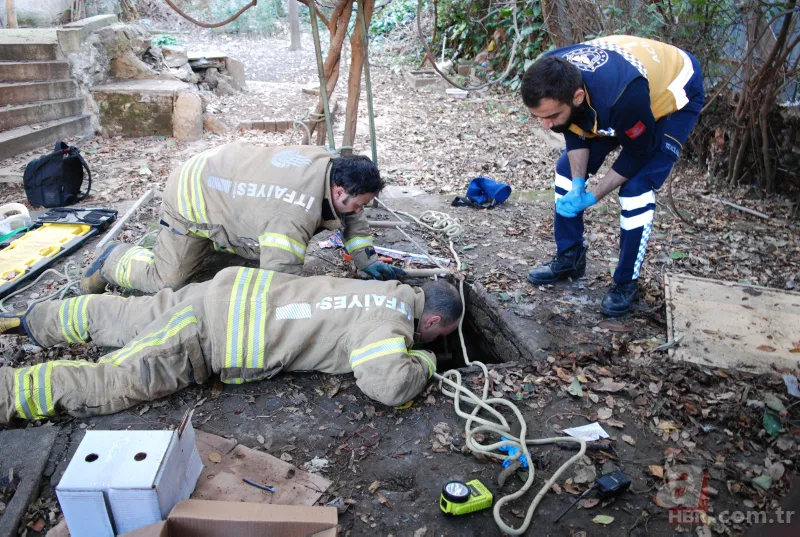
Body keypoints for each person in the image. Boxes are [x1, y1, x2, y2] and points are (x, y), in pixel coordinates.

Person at [0, 268, 462, 423]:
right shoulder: (390, 324)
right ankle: (9, 393)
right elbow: (389, 387)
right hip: (208, 335)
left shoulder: (387, 290)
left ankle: (27, 321)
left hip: (219, 294)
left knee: (118, 315)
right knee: (115, 382)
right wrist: (424, 359)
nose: (434, 342)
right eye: (438, 336)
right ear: (433, 320)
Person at [522, 35, 704, 316]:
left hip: (676, 89)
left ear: (577, 97)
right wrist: (578, 183)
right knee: (566, 170)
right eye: (538, 117)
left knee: (637, 187)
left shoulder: (622, 98)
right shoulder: (552, 71)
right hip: (622, 97)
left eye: (551, 116)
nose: (545, 126)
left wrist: (592, 196)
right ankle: (570, 257)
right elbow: (572, 129)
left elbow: (636, 154)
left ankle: (626, 282)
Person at [80, 142, 404, 295]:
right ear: (338, 191)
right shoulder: (290, 213)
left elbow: (353, 218)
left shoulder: (332, 166)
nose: (359, 211)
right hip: (192, 195)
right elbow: (281, 281)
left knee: (247, 259)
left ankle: (218, 246)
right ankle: (114, 259)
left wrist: (367, 260)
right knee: (168, 282)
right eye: (358, 204)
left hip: (224, 177)